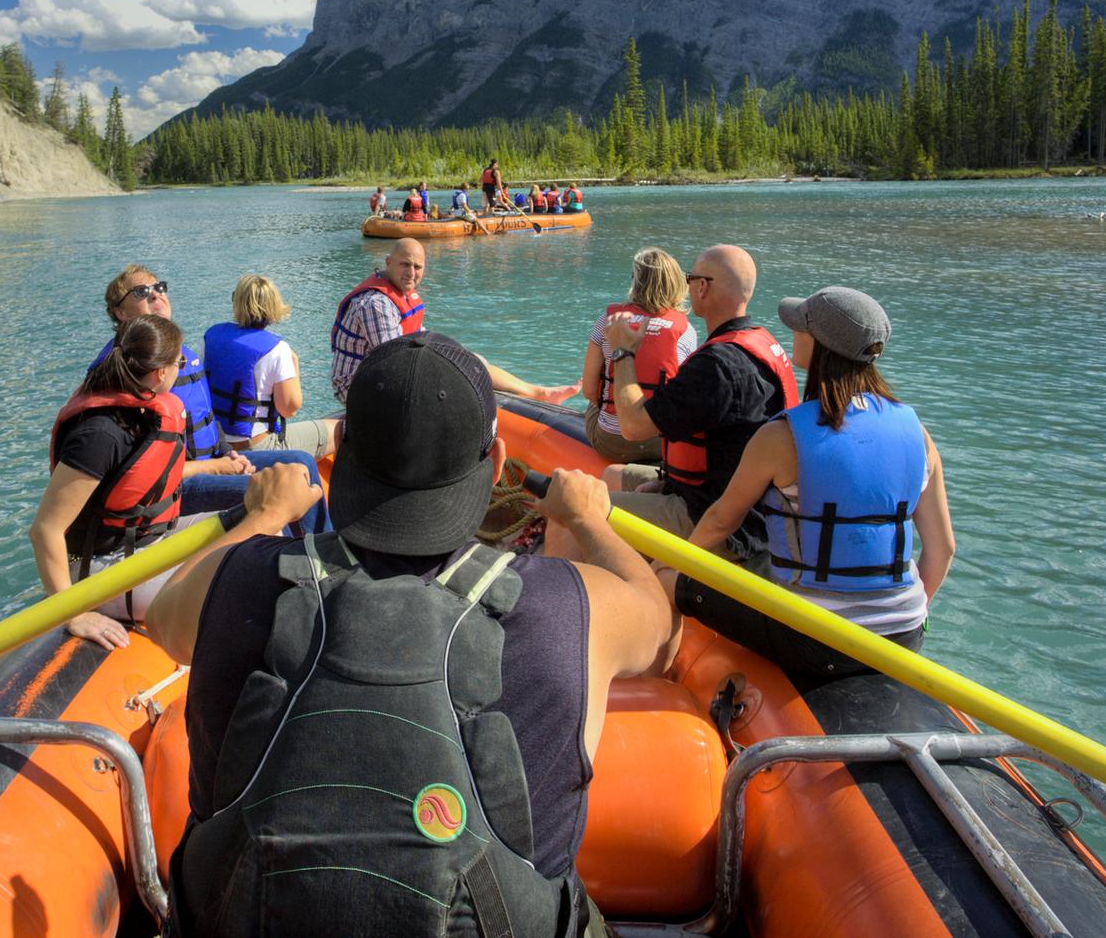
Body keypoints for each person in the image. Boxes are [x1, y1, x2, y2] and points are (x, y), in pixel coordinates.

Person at [146, 333, 669, 937]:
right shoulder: (569, 605)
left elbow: (164, 620)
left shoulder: (237, 579)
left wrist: (263, 518)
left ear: (339, 449)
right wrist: (587, 520)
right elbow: (657, 631)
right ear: (497, 463)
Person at [676, 287, 954, 682]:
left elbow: (720, 522)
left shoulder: (783, 435)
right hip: (905, 637)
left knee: (676, 580)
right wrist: (893, 621)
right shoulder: (919, 433)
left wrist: (666, 566)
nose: (792, 334)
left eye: (799, 327)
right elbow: (943, 550)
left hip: (814, 641)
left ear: (820, 344)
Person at [35, 314, 309, 649]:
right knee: (242, 582)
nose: (183, 367)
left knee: (266, 525)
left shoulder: (146, 411)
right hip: (106, 568)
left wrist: (216, 466)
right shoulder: (98, 435)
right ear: (161, 372)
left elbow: (142, 480)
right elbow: (45, 528)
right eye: (180, 360)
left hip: (150, 539)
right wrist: (71, 614)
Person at [96, 265, 327, 532]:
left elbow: (207, 413)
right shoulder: (124, 370)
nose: (156, 295)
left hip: (213, 461)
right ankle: (295, 564)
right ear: (120, 312)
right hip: (175, 484)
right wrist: (219, 467)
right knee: (269, 492)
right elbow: (143, 468)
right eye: (141, 291)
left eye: (159, 288)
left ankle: (324, 553)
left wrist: (228, 452)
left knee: (302, 463)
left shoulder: (187, 356)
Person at [592, 245, 798, 539]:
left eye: (690, 277)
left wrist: (623, 351)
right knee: (614, 475)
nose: (687, 285)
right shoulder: (756, 344)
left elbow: (633, 426)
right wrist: (667, 484)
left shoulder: (717, 367)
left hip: (715, 518)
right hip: (739, 500)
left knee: (578, 509)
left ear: (702, 287)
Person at [330, 238, 579, 407]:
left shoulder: (402, 295)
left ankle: (537, 392)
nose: (411, 273)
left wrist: (460, 359)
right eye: (405, 264)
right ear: (388, 263)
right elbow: (398, 362)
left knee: (472, 360)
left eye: (418, 267)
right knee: (456, 380)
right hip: (357, 387)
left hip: (387, 374)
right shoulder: (377, 304)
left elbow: (416, 341)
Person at [579, 248, 698, 464]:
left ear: (635, 282)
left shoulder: (607, 321)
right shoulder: (686, 332)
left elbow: (588, 390)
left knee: (596, 399)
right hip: (661, 444)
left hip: (611, 442)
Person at [203, 274, 339, 459]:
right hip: (257, 447)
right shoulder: (277, 349)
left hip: (215, 443)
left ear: (237, 302)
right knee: (339, 428)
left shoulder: (210, 336)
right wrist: (295, 366)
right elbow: (289, 410)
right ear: (273, 305)